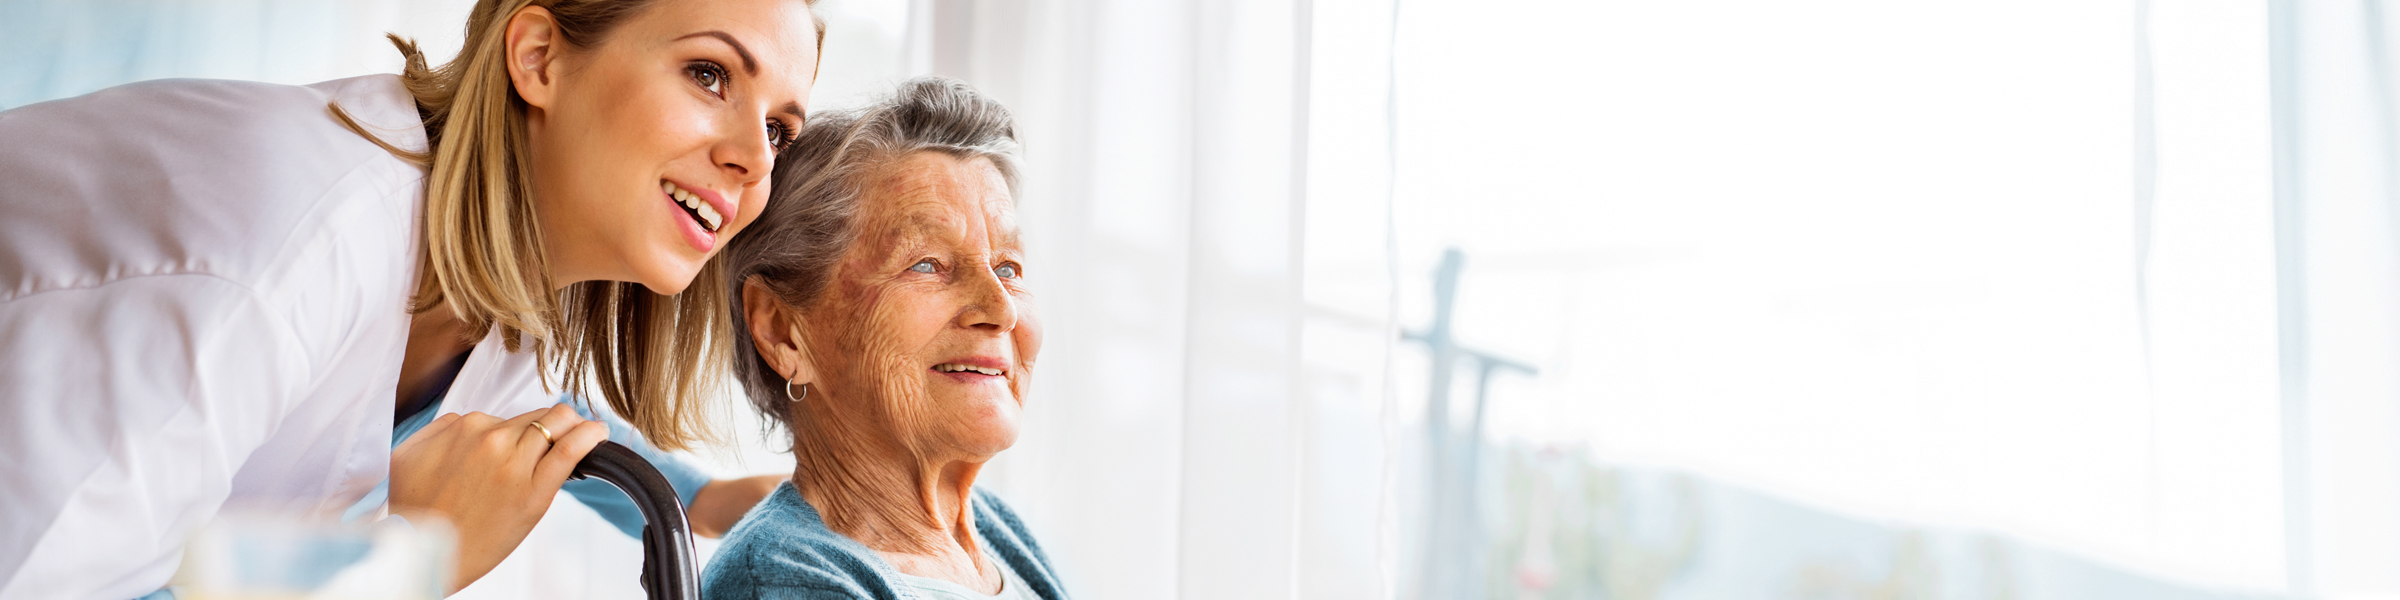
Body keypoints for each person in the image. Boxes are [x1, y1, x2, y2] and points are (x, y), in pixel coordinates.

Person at [0, 0, 821, 596]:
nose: (757, 159)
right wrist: (404, 563)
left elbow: (517, 408)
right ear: (539, 57)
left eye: (780, 130)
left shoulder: (491, 278)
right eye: (709, 74)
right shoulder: (283, 246)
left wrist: (695, 498)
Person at [702, 78, 1070, 600]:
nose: (1001, 310)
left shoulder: (995, 531)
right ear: (782, 330)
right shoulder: (788, 580)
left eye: (1008, 267)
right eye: (927, 264)